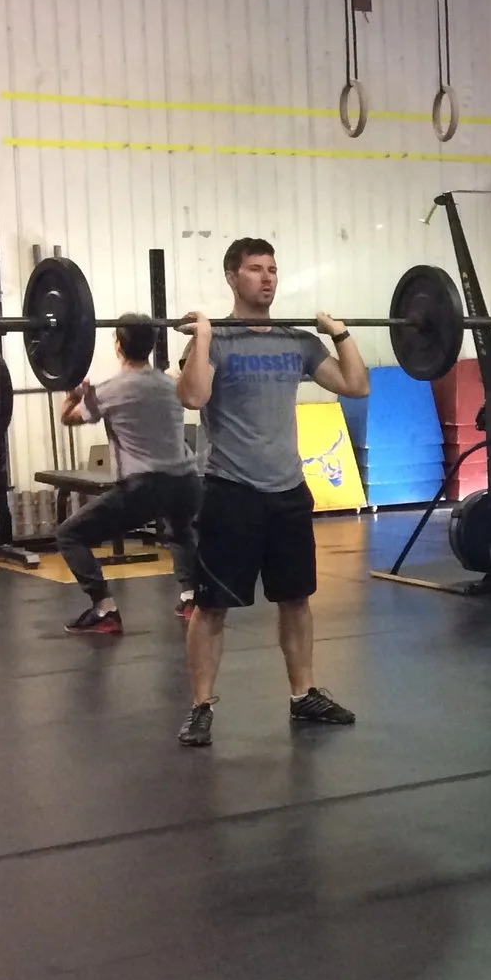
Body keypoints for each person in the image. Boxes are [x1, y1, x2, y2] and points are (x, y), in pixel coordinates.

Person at [172, 237, 366, 748]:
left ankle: (303, 696)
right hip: (230, 491)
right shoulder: (215, 340)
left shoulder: (296, 341)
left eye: (272, 269)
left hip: (288, 491)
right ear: (231, 277)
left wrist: (341, 334)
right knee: (212, 606)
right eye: (255, 269)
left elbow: (355, 385)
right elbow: (193, 396)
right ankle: (200, 706)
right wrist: (205, 337)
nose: (267, 278)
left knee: (296, 600)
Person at [53, 314, 201, 635]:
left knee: (69, 534)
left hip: (145, 488)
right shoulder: (173, 384)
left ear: (118, 345)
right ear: (152, 346)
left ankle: (104, 608)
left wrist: (73, 394)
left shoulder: (108, 390)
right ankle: (191, 599)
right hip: (188, 483)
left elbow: (68, 418)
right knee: (181, 530)